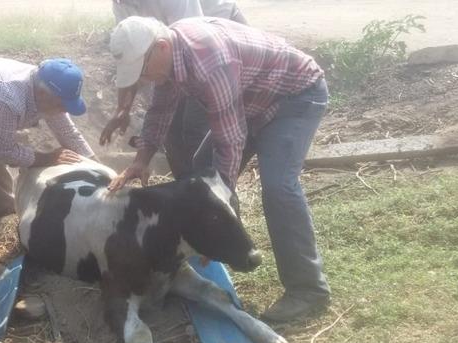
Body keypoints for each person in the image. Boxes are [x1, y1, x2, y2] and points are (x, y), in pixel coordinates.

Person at [107, 16, 331, 322]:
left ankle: (308, 290)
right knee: (199, 172)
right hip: (249, 101)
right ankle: (198, 249)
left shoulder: (209, 61)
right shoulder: (170, 56)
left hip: (294, 98)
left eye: (143, 70)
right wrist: (141, 159)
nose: (143, 78)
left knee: (279, 186)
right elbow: (160, 111)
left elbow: (230, 142)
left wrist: (217, 214)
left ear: (160, 48)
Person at [0, 57, 95, 280]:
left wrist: (96, 165)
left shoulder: (46, 90)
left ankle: (3, 209)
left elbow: (69, 133)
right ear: (44, 94)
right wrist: (48, 158)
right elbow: (5, 152)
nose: (63, 110)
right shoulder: (7, 97)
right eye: (62, 105)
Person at [101, 0, 248, 178]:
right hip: (167, 47)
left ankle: (208, 193)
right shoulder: (120, 3)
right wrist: (122, 109)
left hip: (215, 41)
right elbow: (132, 56)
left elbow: (191, 45)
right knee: (170, 129)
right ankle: (185, 191)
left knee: (195, 127)